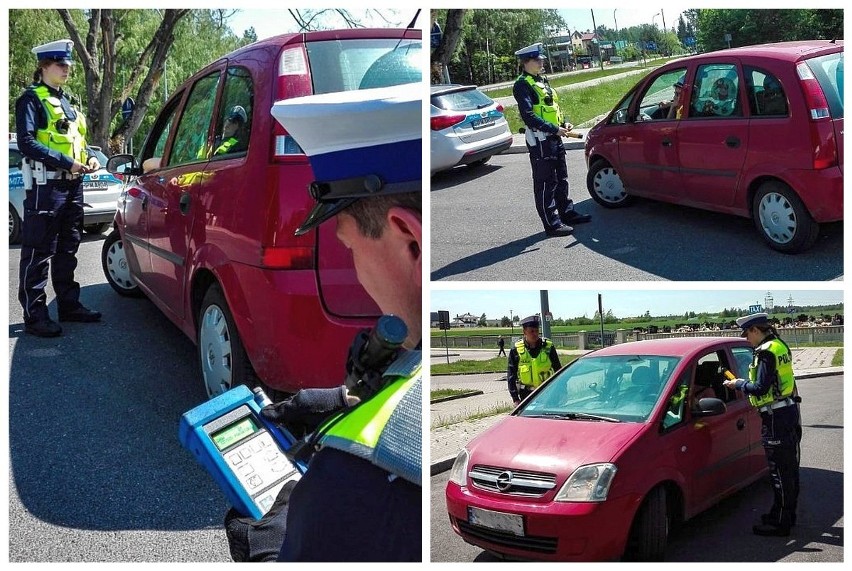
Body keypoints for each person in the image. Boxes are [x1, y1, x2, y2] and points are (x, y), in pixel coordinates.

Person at [224, 83, 422, 562]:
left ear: (409, 239)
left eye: (349, 246)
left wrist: (275, 549)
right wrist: (348, 400)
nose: (353, 267)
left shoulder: (355, 480)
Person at [15, 39, 102, 338]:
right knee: (39, 252)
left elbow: (79, 141)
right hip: (46, 186)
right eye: (60, 65)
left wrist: (88, 157)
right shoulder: (30, 99)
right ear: (43, 67)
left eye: (68, 65)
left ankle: (69, 304)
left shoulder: (68, 102)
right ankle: (35, 315)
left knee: (68, 248)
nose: (66, 69)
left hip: (73, 185)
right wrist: (66, 162)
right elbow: (27, 143)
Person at [723, 313, 801, 537]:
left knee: (779, 472)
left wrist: (739, 383)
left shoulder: (766, 352)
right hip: (787, 410)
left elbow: (760, 388)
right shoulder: (779, 345)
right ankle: (781, 514)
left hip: (775, 417)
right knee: (788, 469)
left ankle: (782, 524)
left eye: (748, 334)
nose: (747, 340)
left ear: (756, 330)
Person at [513, 43, 591, 238]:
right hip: (541, 141)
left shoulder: (542, 81)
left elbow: (551, 109)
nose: (542, 63)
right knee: (546, 183)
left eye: (541, 59)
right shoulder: (522, 85)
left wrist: (564, 123)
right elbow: (529, 115)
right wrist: (554, 129)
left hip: (555, 138)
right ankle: (552, 224)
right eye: (538, 60)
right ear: (526, 62)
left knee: (561, 179)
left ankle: (567, 213)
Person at [507, 315, 562, 405]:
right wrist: (515, 398)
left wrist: (562, 392)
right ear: (524, 331)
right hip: (526, 395)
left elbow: (559, 371)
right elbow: (511, 375)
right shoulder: (516, 350)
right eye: (531, 331)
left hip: (548, 393)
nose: (535, 334)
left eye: (537, 331)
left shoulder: (548, 347)